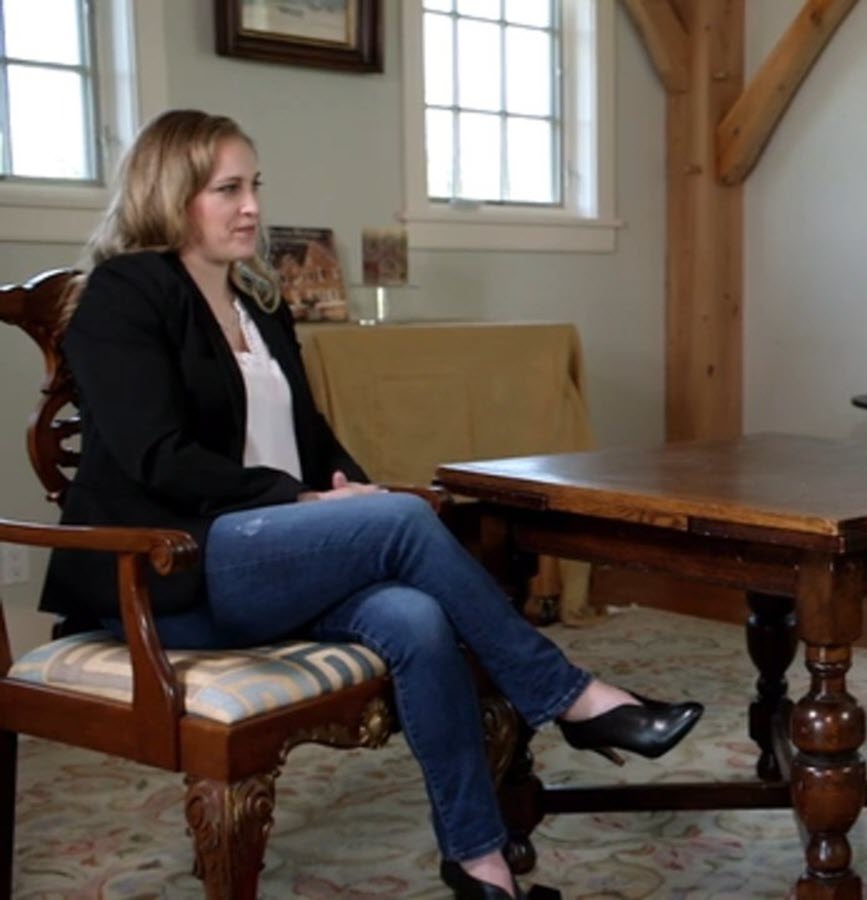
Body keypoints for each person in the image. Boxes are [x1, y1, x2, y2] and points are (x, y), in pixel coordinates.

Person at [38, 109, 703, 900]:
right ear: (169, 193)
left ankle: (480, 866)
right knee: (403, 520)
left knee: (415, 618)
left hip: (270, 556)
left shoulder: (259, 304)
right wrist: (305, 501)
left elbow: (312, 436)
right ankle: (573, 698)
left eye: (255, 186)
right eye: (228, 189)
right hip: (172, 569)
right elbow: (157, 456)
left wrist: (344, 487)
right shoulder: (124, 293)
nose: (252, 206)